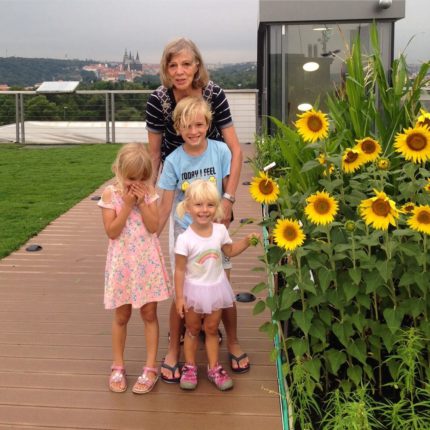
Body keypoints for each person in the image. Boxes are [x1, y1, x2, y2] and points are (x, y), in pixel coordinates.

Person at [146, 37, 249, 382]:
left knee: (221, 277)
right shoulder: (159, 101)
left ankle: (231, 341)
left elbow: (234, 151)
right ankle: (174, 348)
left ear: (197, 66)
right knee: (185, 281)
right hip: (181, 202)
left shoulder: (214, 95)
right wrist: (149, 217)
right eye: (173, 65)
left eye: (186, 64)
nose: (180, 71)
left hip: (214, 201)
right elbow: (155, 157)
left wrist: (228, 200)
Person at [98, 143, 171, 394]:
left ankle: (150, 367)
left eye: (141, 179)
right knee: (122, 315)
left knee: (149, 313)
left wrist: (142, 203)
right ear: (118, 172)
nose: (136, 184)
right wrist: (128, 205)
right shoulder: (110, 194)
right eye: (131, 179)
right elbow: (112, 231)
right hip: (123, 264)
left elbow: (153, 227)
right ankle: (118, 365)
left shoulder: (148, 193)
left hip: (146, 262)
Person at [174, 180, 260, 391]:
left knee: (212, 328)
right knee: (193, 329)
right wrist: (180, 297)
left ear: (217, 207)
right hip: (194, 290)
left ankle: (214, 368)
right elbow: (180, 270)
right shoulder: (184, 239)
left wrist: (246, 241)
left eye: (210, 205)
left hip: (216, 288)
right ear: (188, 207)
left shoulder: (220, 231)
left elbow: (229, 251)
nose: (204, 210)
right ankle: (190, 367)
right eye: (198, 205)